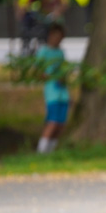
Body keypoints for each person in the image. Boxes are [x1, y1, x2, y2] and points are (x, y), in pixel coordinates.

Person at [36, 23, 69, 154]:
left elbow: (64, 70)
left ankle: (50, 151)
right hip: (52, 92)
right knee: (53, 121)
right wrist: (49, 76)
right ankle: (41, 151)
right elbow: (39, 71)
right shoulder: (44, 51)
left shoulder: (60, 52)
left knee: (61, 124)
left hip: (63, 92)